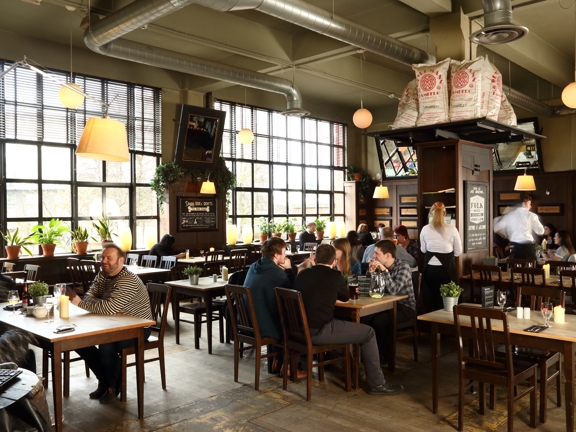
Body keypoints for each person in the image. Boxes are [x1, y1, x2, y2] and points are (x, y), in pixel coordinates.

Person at [293, 244, 403, 395]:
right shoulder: (335, 276)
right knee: (369, 333)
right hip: (319, 331)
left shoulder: (302, 274)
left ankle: (354, 371)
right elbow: (345, 296)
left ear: (315, 259)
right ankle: (377, 384)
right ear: (334, 262)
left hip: (297, 330)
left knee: (340, 326)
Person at [66, 245, 153, 403]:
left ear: (121, 260)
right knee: (79, 343)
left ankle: (113, 386)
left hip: (139, 327)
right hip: (111, 323)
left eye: (109, 258)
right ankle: (105, 381)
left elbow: (104, 306)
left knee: (107, 347)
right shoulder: (103, 275)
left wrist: (82, 304)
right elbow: (89, 297)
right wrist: (105, 305)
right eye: (103, 257)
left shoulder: (128, 280)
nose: (104, 261)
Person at [244, 237, 313, 376]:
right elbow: (294, 293)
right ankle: (289, 367)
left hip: (249, 322)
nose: (286, 254)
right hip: (264, 327)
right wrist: (288, 269)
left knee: (281, 315)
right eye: (284, 252)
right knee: (297, 325)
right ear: (276, 255)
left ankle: (277, 361)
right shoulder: (277, 274)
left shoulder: (255, 266)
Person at [366, 240, 416, 359]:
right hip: (385, 305)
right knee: (365, 318)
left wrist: (384, 271)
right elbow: (369, 290)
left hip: (405, 307)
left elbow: (394, 290)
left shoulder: (403, 267)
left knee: (379, 322)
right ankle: (368, 355)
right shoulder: (379, 266)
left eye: (377, 253)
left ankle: (385, 355)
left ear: (387, 255)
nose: (374, 256)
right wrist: (370, 272)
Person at [420, 202, 462, 310]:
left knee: (430, 298)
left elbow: (423, 250)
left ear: (431, 213)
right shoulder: (452, 229)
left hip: (429, 270)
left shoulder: (425, 229)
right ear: (445, 213)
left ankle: (430, 324)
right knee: (447, 300)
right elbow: (458, 251)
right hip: (446, 270)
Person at [493, 194, 544, 260]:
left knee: (515, 268)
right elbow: (540, 231)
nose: (530, 206)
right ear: (523, 204)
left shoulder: (510, 215)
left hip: (515, 247)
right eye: (529, 204)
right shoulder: (531, 216)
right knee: (532, 268)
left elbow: (496, 228)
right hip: (527, 247)